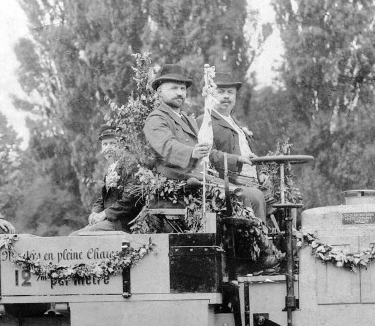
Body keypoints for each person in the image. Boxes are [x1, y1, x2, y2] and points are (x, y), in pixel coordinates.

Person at [143, 64, 266, 221]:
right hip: (181, 183)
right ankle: (256, 236)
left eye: (182, 89)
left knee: (255, 195)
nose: (180, 93)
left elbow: (208, 153)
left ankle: (257, 235)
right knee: (250, 196)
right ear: (160, 91)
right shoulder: (156, 119)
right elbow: (167, 146)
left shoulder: (187, 119)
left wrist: (238, 159)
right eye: (174, 88)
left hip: (202, 179)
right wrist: (192, 152)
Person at [71, 124, 142, 234]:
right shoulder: (111, 168)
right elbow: (103, 198)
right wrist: (95, 213)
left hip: (123, 222)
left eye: (112, 143)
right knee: (73, 236)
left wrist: (104, 214)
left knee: (77, 237)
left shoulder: (130, 166)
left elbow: (129, 200)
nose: (108, 148)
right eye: (105, 144)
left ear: (121, 145)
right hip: (109, 221)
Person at [204, 72, 260, 187]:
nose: (226, 96)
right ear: (211, 95)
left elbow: (250, 153)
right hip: (228, 185)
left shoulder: (237, 124)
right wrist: (238, 159)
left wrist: (261, 172)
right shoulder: (205, 121)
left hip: (254, 182)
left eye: (230, 92)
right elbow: (209, 154)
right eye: (220, 92)